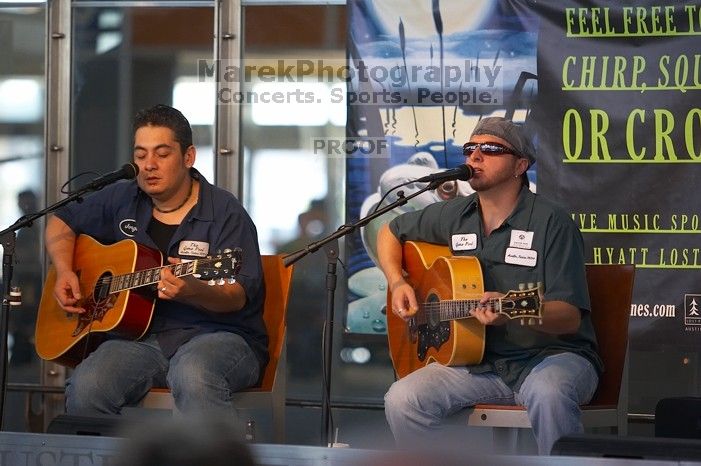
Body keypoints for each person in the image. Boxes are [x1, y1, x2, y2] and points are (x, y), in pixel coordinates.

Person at [378, 117, 601, 455]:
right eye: (470, 149)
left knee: (549, 393)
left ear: (520, 165)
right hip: (478, 364)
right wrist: (398, 282)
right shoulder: (455, 214)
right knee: (403, 399)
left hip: (552, 357)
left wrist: (511, 312)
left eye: (491, 149)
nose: (475, 156)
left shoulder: (551, 221)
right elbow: (390, 232)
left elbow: (569, 317)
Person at [44, 104, 266, 415]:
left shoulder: (225, 212)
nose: (149, 165)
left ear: (188, 157)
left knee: (193, 374)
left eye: (162, 154)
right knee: (88, 386)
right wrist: (65, 270)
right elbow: (60, 223)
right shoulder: (122, 197)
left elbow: (237, 295)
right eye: (140, 155)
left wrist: (195, 290)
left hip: (218, 336)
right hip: (140, 339)